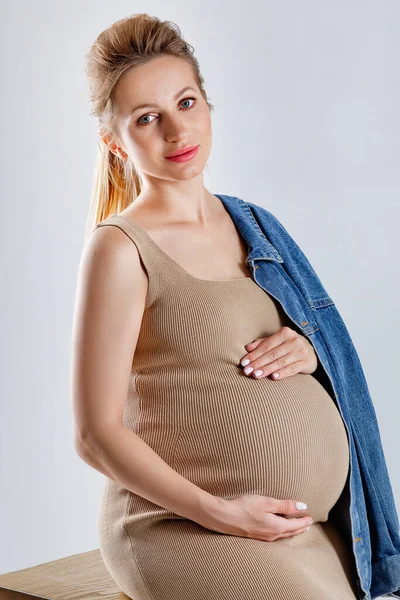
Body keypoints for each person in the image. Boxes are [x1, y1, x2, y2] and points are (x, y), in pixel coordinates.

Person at [71, 13, 366, 600]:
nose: (178, 133)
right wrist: (221, 513)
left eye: (186, 103)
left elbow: (323, 349)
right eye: (147, 118)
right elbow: (95, 433)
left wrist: (310, 349)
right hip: (185, 527)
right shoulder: (121, 247)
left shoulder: (256, 227)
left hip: (301, 531)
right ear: (115, 142)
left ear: (208, 103)